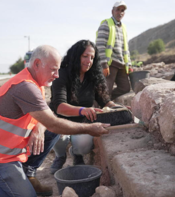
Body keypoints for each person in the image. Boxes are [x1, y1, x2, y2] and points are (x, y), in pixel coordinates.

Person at [0, 45, 110, 197]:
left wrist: (38, 128)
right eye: (53, 70)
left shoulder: (36, 83)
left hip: (11, 150)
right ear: (37, 64)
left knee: (50, 132)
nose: (57, 75)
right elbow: (53, 123)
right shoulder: (25, 87)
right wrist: (90, 128)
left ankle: (27, 172)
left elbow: (47, 116)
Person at [49, 40, 122, 174]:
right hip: (61, 120)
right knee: (55, 134)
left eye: (92, 58)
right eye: (85, 56)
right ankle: (60, 156)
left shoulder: (93, 76)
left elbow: (105, 101)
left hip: (83, 122)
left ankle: (76, 153)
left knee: (83, 144)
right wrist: (83, 110)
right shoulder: (61, 74)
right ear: (76, 56)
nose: (89, 61)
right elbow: (59, 107)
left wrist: (119, 108)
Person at [96, 0, 132, 101]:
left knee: (125, 88)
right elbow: (99, 46)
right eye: (118, 10)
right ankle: (99, 111)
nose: (120, 12)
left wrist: (128, 64)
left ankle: (108, 101)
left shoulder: (123, 27)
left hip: (121, 64)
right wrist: (104, 65)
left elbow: (126, 48)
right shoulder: (106, 24)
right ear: (112, 11)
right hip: (110, 64)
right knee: (105, 90)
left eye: (122, 10)